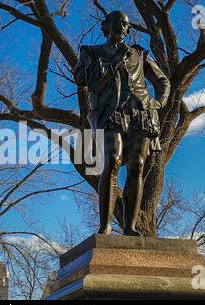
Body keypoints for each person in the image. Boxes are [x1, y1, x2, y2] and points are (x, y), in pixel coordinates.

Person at [73, 11, 170, 236]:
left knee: (137, 165)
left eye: (126, 25)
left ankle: (130, 227)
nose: (122, 27)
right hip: (111, 111)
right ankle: (105, 226)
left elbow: (162, 80)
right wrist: (102, 67)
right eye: (118, 23)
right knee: (113, 161)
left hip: (141, 112)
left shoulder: (139, 54)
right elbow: (80, 78)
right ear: (107, 27)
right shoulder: (91, 52)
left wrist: (157, 103)